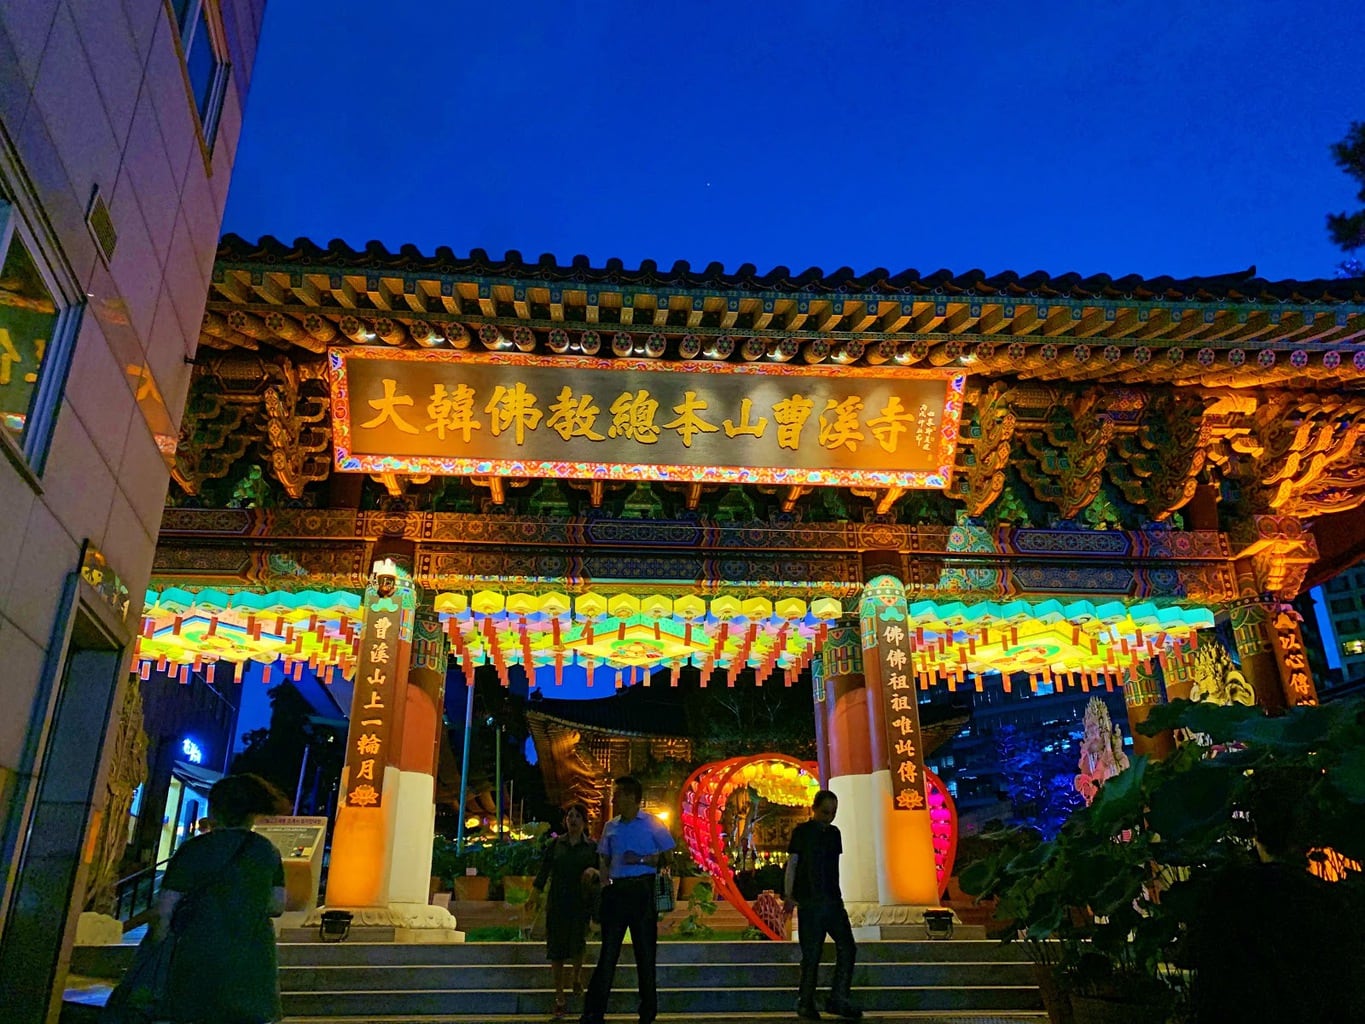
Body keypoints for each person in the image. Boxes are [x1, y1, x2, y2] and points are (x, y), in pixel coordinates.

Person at [154, 773, 288, 1023]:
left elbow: (164, 910)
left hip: (197, 955)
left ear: (214, 809)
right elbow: (277, 904)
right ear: (252, 814)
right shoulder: (266, 851)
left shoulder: (194, 849)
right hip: (252, 960)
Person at [579, 776, 675, 1024]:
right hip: (617, 890)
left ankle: (647, 1012)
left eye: (618, 795)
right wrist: (602, 881)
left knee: (645, 953)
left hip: (642, 889)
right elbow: (603, 857)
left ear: (632, 798)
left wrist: (642, 859)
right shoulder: (611, 826)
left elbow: (668, 857)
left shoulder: (652, 824)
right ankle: (595, 1011)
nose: (614, 799)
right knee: (608, 953)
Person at [784, 790, 860, 1021]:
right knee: (812, 954)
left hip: (832, 900)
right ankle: (806, 1001)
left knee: (848, 947)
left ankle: (838, 998)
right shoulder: (802, 832)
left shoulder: (834, 834)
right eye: (826, 812)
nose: (830, 817)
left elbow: (833, 867)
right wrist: (788, 895)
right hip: (810, 901)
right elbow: (793, 864)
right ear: (815, 808)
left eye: (833, 812)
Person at [533, 802, 600, 1018]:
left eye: (577, 816)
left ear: (584, 822)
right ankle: (559, 995)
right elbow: (544, 872)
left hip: (580, 901)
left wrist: (593, 872)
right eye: (569, 816)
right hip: (558, 902)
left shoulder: (591, 847)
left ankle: (577, 977)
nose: (572, 819)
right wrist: (533, 896)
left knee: (578, 942)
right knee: (557, 948)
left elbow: (602, 873)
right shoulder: (555, 845)